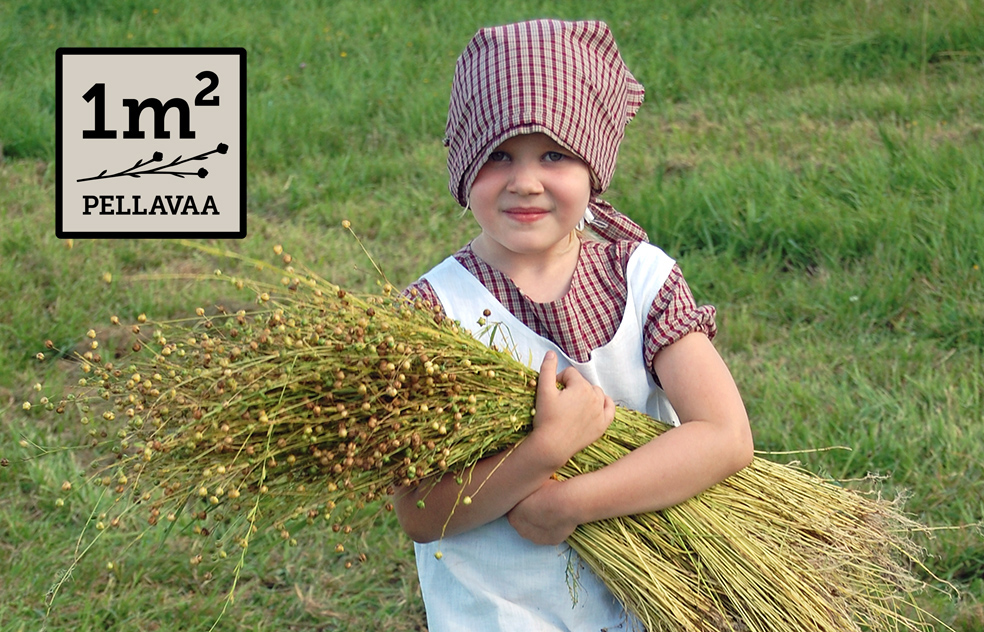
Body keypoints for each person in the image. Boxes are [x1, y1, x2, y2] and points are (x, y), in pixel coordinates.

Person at [394, 18, 754, 631]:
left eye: (554, 154)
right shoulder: (434, 314)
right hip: (496, 617)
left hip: (646, 607)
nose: (525, 181)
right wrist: (547, 450)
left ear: (594, 165)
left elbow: (724, 435)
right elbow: (422, 512)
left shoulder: (640, 279)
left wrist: (570, 502)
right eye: (498, 154)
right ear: (462, 163)